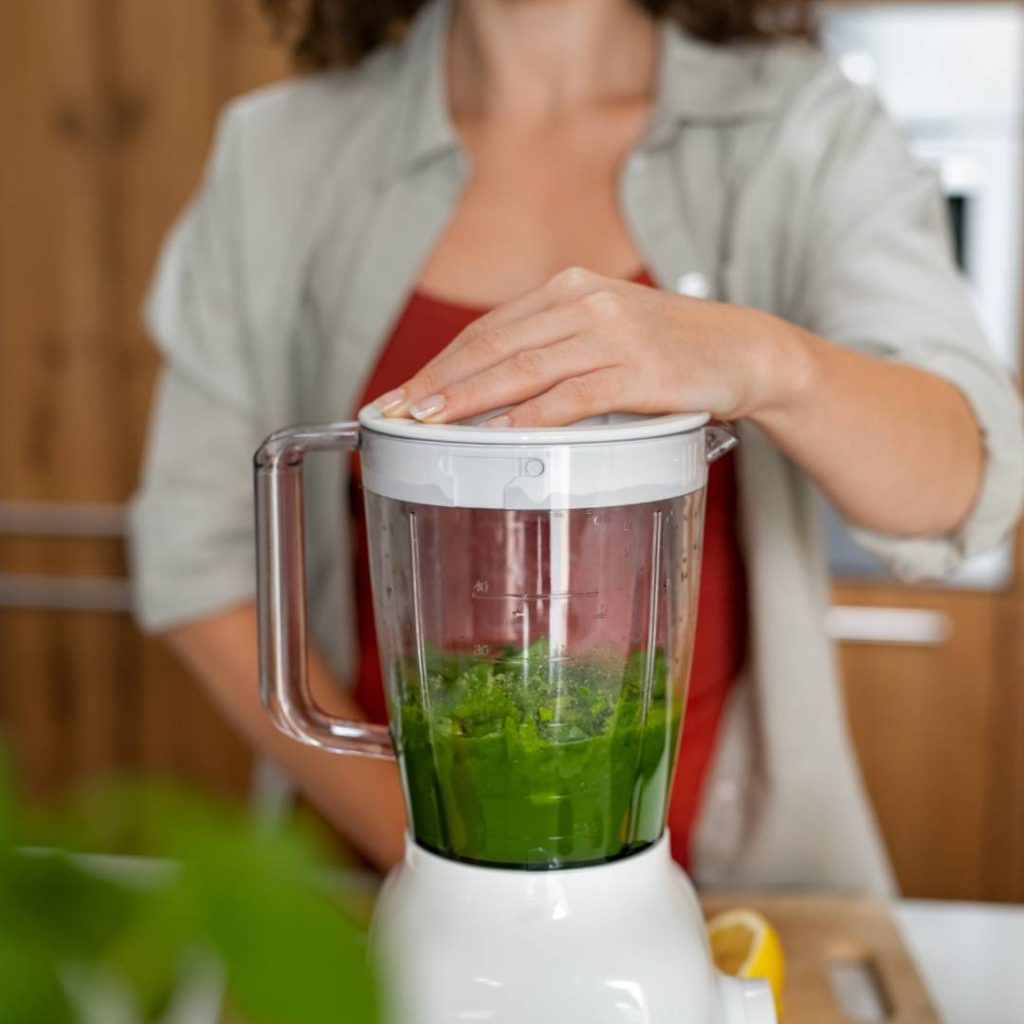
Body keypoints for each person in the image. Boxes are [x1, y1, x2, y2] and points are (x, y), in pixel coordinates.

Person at [130, 0, 1024, 894]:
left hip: (737, 896)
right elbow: (195, 560)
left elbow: (965, 479)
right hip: (375, 887)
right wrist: (439, 849)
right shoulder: (279, 154)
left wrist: (763, 359)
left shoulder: (805, 130)